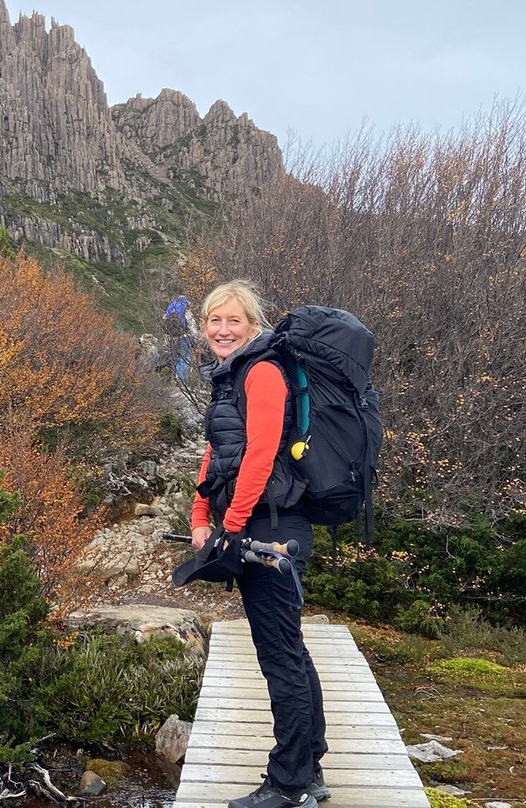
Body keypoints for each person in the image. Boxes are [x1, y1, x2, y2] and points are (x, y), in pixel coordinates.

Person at [189, 280, 328, 808]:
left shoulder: (263, 372)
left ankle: (289, 784)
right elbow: (216, 452)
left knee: (279, 657)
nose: (223, 330)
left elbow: (261, 455)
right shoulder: (229, 378)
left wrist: (233, 525)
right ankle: (309, 766)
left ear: (252, 324)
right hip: (254, 524)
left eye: (234, 321)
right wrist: (202, 513)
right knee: (289, 649)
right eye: (213, 321)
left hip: (273, 531)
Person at [162, 295, 195, 384]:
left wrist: (166, 342)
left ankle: (175, 379)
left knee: (175, 359)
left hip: (172, 338)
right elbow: (191, 324)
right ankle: (182, 381)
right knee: (184, 359)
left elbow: (165, 326)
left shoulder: (169, 310)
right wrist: (195, 337)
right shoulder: (186, 310)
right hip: (184, 337)